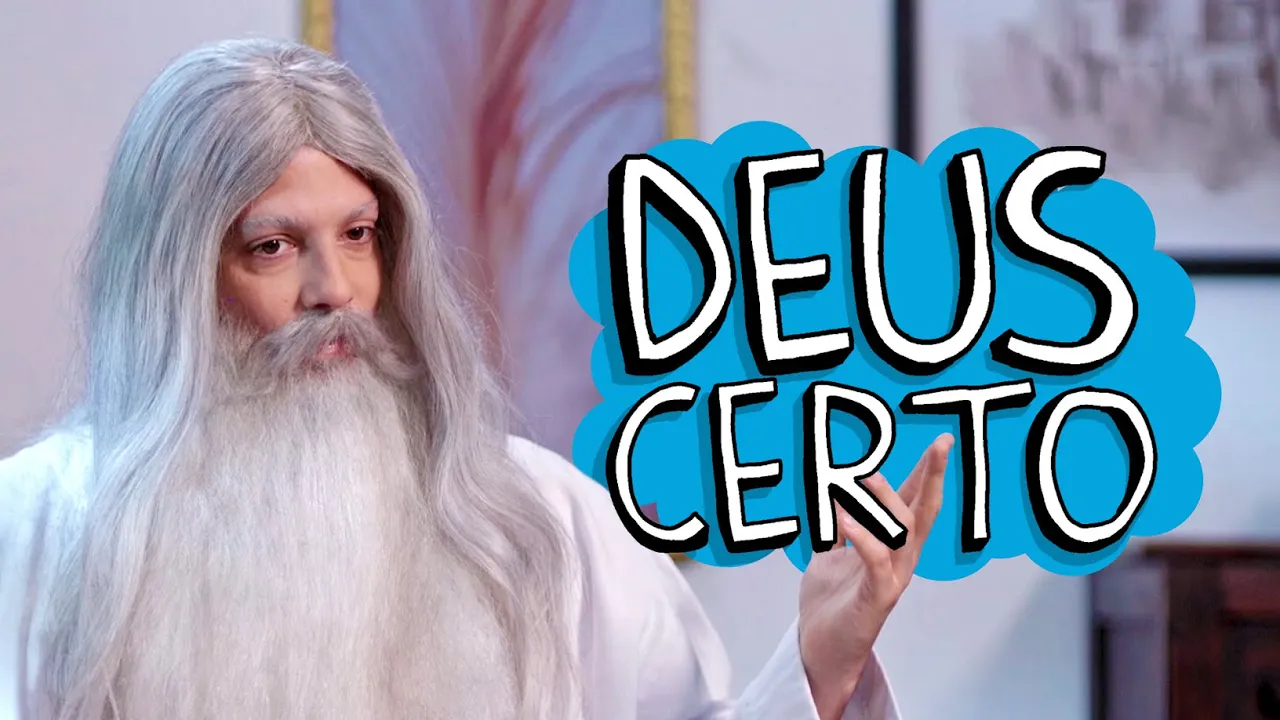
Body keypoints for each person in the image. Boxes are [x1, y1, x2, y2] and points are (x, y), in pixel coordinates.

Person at [0, 38, 954, 720]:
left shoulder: (539, 521)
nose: (335, 290)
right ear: (174, 278)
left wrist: (821, 663)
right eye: (273, 246)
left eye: (359, 235)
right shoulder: (41, 529)